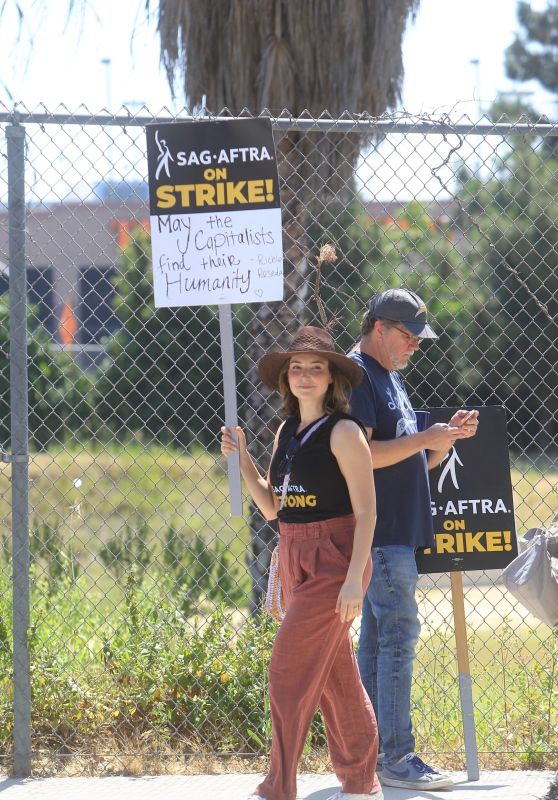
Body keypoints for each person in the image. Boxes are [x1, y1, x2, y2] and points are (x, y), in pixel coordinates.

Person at [221, 325, 383, 800]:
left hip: (336, 558)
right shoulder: (287, 432)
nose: (305, 375)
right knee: (336, 676)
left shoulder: (345, 431)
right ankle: (361, 782)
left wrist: (354, 578)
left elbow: (368, 510)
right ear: (286, 378)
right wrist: (245, 458)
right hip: (294, 554)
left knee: (287, 669)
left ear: (333, 379)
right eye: (297, 367)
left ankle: (278, 786)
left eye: (316, 368)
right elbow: (273, 507)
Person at [348, 289, 479, 791]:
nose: (415, 347)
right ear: (379, 328)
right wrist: (424, 439)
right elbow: (359, 455)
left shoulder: (390, 379)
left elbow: (408, 459)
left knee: (380, 643)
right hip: (380, 533)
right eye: (408, 336)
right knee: (398, 638)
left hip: (395, 531)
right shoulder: (359, 375)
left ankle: (369, 755)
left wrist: (440, 442)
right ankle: (397, 757)